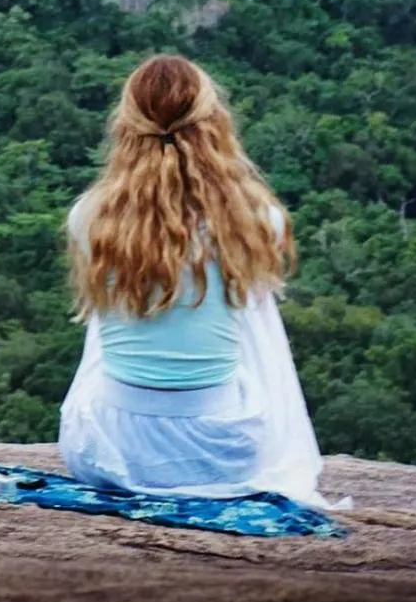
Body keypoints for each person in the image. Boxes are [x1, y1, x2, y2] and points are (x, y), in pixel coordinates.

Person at [59, 53, 326, 504]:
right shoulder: (260, 221)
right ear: (213, 123)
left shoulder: (89, 218)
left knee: (108, 334)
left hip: (111, 450)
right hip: (222, 453)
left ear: (125, 124)